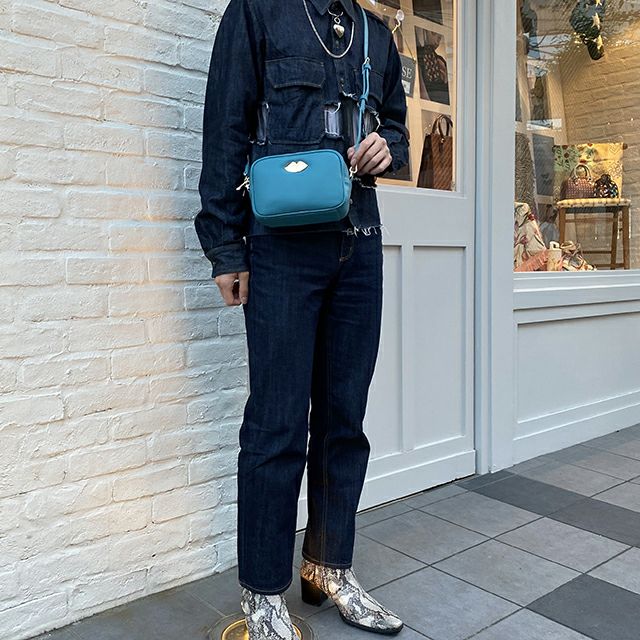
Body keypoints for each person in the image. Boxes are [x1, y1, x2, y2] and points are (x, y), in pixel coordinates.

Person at [194, 0, 409, 637]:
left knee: (345, 420)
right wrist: (225, 247)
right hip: (281, 250)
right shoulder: (259, 13)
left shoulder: (376, 34)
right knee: (277, 423)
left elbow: (398, 129)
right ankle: (263, 591)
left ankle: (328, 566)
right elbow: (225, 128)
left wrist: (387, 148)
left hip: (359, 244)